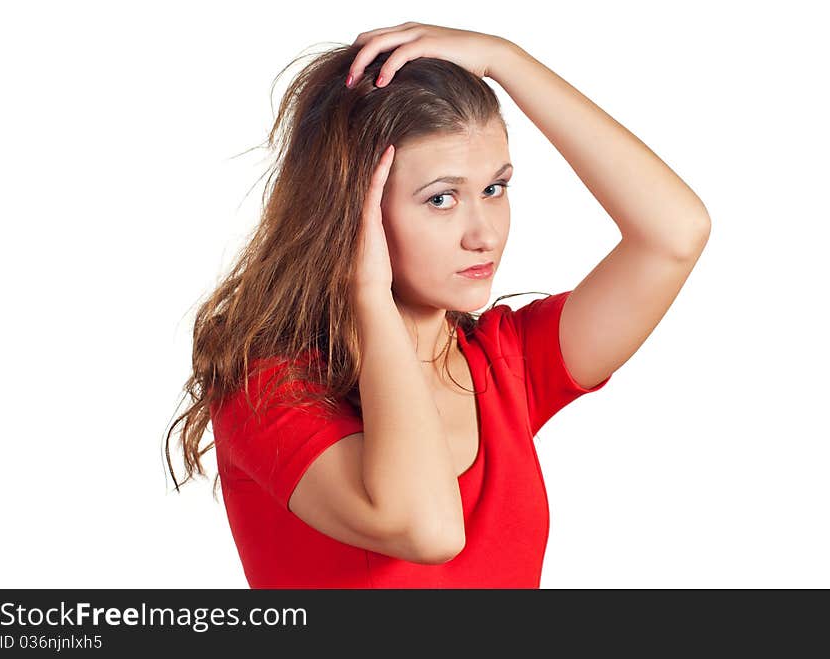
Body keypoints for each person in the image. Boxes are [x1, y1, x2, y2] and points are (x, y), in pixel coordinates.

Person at [165, 22, 711, 588]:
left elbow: (675, 233)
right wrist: (370, 299)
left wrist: (507, 59)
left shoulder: (507, 363)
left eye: (495, 189)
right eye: (442, 199)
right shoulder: (271, 389)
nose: (484, 234)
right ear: (352, 212)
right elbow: (428, 529)